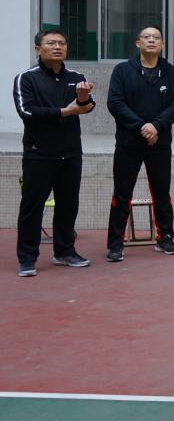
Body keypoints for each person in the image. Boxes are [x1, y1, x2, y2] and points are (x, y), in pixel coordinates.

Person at [13, 29, 96, 277]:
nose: (57, 47)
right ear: (38, 49)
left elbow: (87, 106)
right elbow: (26, 111)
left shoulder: (76, 77)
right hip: (39, 154)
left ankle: (65, 251)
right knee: (32, 207)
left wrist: (83, 98)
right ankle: (27, 258)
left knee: (68, 205)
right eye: (51, 43)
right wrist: (65, 111)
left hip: (71, 154)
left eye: (62, 43)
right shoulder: (26, 78)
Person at [105, 26, 174, 261]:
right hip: (128, 143)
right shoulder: (122, 70)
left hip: (159, 143)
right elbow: (115, 103)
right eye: (146, 37)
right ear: (137, 43)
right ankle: (115, 243)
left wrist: (156, 126)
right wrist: (142, 126)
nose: (151, 40)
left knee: (162, 193)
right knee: (122, 193)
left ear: (162, 45)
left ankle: (165, 237)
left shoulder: (171, 72)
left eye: (156, 38)